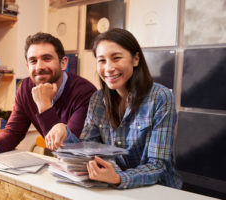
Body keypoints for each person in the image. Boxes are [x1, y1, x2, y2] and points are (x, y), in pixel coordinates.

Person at [45, 28, 182, 189]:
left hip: (157, 190)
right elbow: (87, 149)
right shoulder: (98, 99)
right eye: (102, 60)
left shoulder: (161, 97)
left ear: (135, 59)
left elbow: (158, 165)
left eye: (116, 58)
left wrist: (118, 178)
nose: (108, 68)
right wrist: (64, 130)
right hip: (113, 188)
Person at [0, 32, 97, 168]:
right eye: (33, 61)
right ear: (28, 66)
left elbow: (70, 152)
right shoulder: (25, 88)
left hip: (85, 170)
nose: (39, 67)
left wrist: (44, 106)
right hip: (60, 169)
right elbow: (13, 132)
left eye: (47, 58)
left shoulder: (86, 93)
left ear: (63, 63)